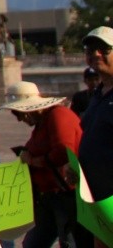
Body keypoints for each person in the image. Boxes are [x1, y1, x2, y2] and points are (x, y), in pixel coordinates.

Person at [0, 81, 84, 248]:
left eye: (18, 113)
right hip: (49, 199)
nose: (18, 119)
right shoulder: (43, 122)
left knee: (68, 242)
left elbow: (63, 151)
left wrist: (33, 160)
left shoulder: (58, 115)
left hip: (66, 197)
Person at [79, 27, 113, 248]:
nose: (96, 54)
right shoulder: (97, 95)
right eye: (91, 49)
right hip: (96, 201)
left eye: (104, 49)